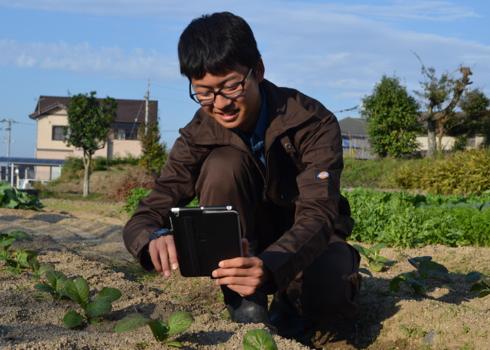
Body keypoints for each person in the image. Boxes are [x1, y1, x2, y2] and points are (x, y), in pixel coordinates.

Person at [123, 11, 361, 346]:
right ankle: (244, 301)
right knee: (223, 164)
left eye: (230, 87)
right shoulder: (198, 133)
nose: (220, 104)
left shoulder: (311, 122)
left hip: (308, 242)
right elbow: (147, 213)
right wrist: (153, 238)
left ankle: (289, 300)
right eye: (203, 92)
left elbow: (319, 215)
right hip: (245, 247)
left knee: (327, 290)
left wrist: (271, 267)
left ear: (258, 71)